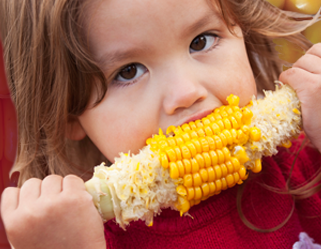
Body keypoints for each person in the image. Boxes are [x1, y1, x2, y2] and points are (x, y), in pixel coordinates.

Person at [0, 0, 321, 248]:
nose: (186, 92)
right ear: (68, 114)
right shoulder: (84, 240)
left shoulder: (307, 165)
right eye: (128, 72)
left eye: (201, 41)